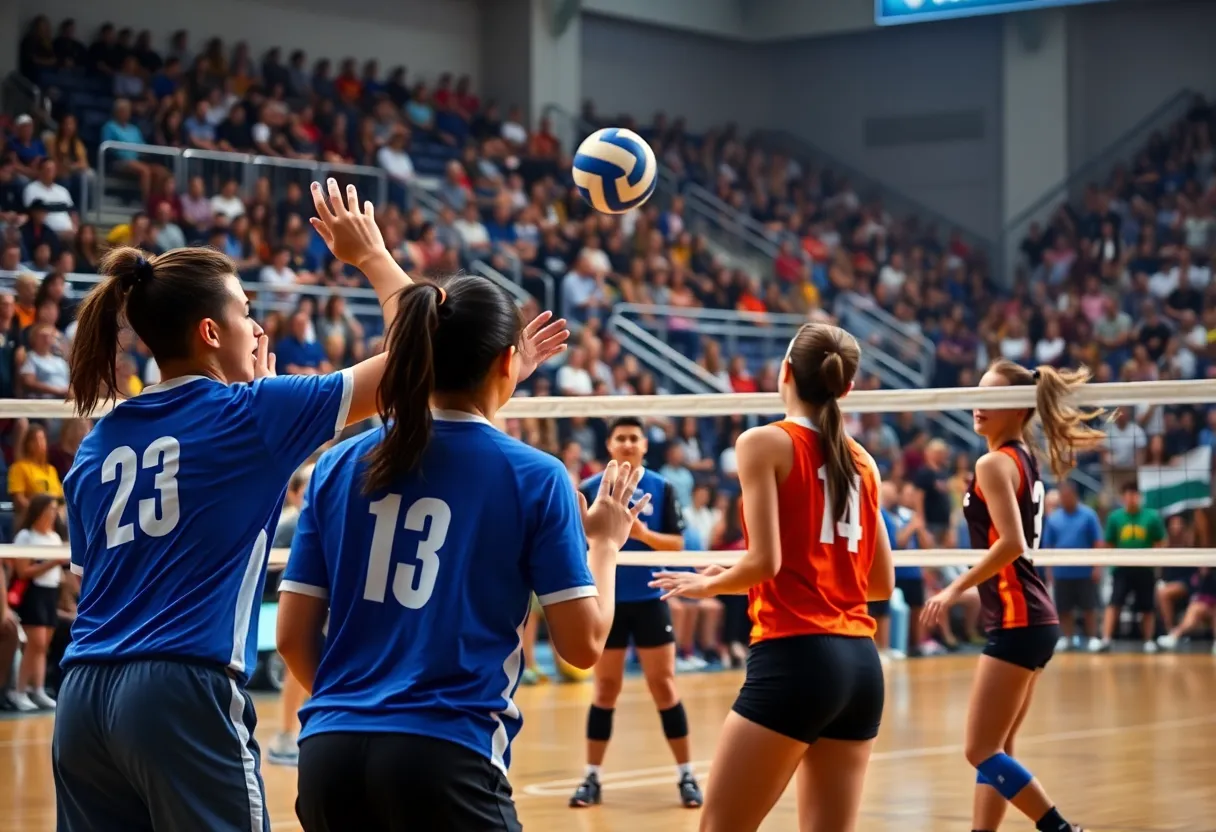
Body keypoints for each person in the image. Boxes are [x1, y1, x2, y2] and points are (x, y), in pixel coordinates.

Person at [52, 181, 411, 832]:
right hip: (181, 688)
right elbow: (420, 362)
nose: (258, 327)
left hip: (80, 700)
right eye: (247, 311)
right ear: (211, 331)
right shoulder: (253, 414)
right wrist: (373, 257)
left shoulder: (96, 445)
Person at [273, 276, 642, 832]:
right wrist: (606, 545)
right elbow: (583, 645)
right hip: (446, 754)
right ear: (507, 362)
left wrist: (358, 706)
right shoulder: (538, 477)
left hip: (330, 754)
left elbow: (290, 637)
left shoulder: (336, 465)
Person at [650, 323, 894, 832]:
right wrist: (736, 573)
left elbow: (765, 563)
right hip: (861, 666)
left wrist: (707, 584)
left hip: (797, 658)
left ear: (784, 372)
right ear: (846, 388)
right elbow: (878, 585)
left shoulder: (763, 442)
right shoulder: (865, 463)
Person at [922, 360, 1103, 832]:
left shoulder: (994, 463)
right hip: (1033, 618)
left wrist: (953, 587)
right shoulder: (1023, 458)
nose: (979, 405)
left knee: (979, 749)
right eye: (978, 393)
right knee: (998, 747)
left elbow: (1011, 543)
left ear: (1020, 408)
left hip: (1019, 617)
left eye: (993, 397)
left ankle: (1060, 829)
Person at [569, 416, 704, 810]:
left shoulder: (662, 487)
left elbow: (677, 544)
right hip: (608, 600)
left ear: (644, 445)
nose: (628, 443)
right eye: (621, 438)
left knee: (664, 685)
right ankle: (591, 777)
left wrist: (643, 535)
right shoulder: (590, 489)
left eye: (634, 438)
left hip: (649, 600)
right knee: (605, 689)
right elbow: (575, 540)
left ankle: (686, 775)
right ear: (609, 445)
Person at [8, 493, 66, 712]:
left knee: (44, 646)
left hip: (51, 592)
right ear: (39, 510)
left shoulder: (55, 537)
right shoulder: (25, 536)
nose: (53, 513)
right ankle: (19, 690)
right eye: (49, 509)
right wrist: (52, 562)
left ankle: (38, 689)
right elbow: (23, 571)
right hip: (33, 593)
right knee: (35, 644)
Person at [1092, 482, 1166, 653]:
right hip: (1122, 568)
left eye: (1135, 494)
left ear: (1139, 497)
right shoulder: (1115, 517)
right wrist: (1109, 562)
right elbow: (1109, 543)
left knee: (1147, 606)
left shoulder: (1152, 516)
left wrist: (1156, 562)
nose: (1132, 498)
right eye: (1128, 494)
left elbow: (1160, 542)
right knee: (1114, 603)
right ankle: (1106, 639)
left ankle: (1148, 641)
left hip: (1145, 568)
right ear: (1123, 497)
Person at [1041, 482, 1103, 652]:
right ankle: (1068, 638)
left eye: (1068, 496)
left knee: (1089, 607)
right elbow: (1048, 546)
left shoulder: (1089, 515)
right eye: (1063, 497)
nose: (1065, 499)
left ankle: (1092, 638)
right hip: (1062, 572)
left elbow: (1098, 542)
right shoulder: (1053, 518)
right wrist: (1049, 571)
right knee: (1064, 608)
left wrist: (1097, 567)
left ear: (1075, 496)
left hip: (1085, 571)